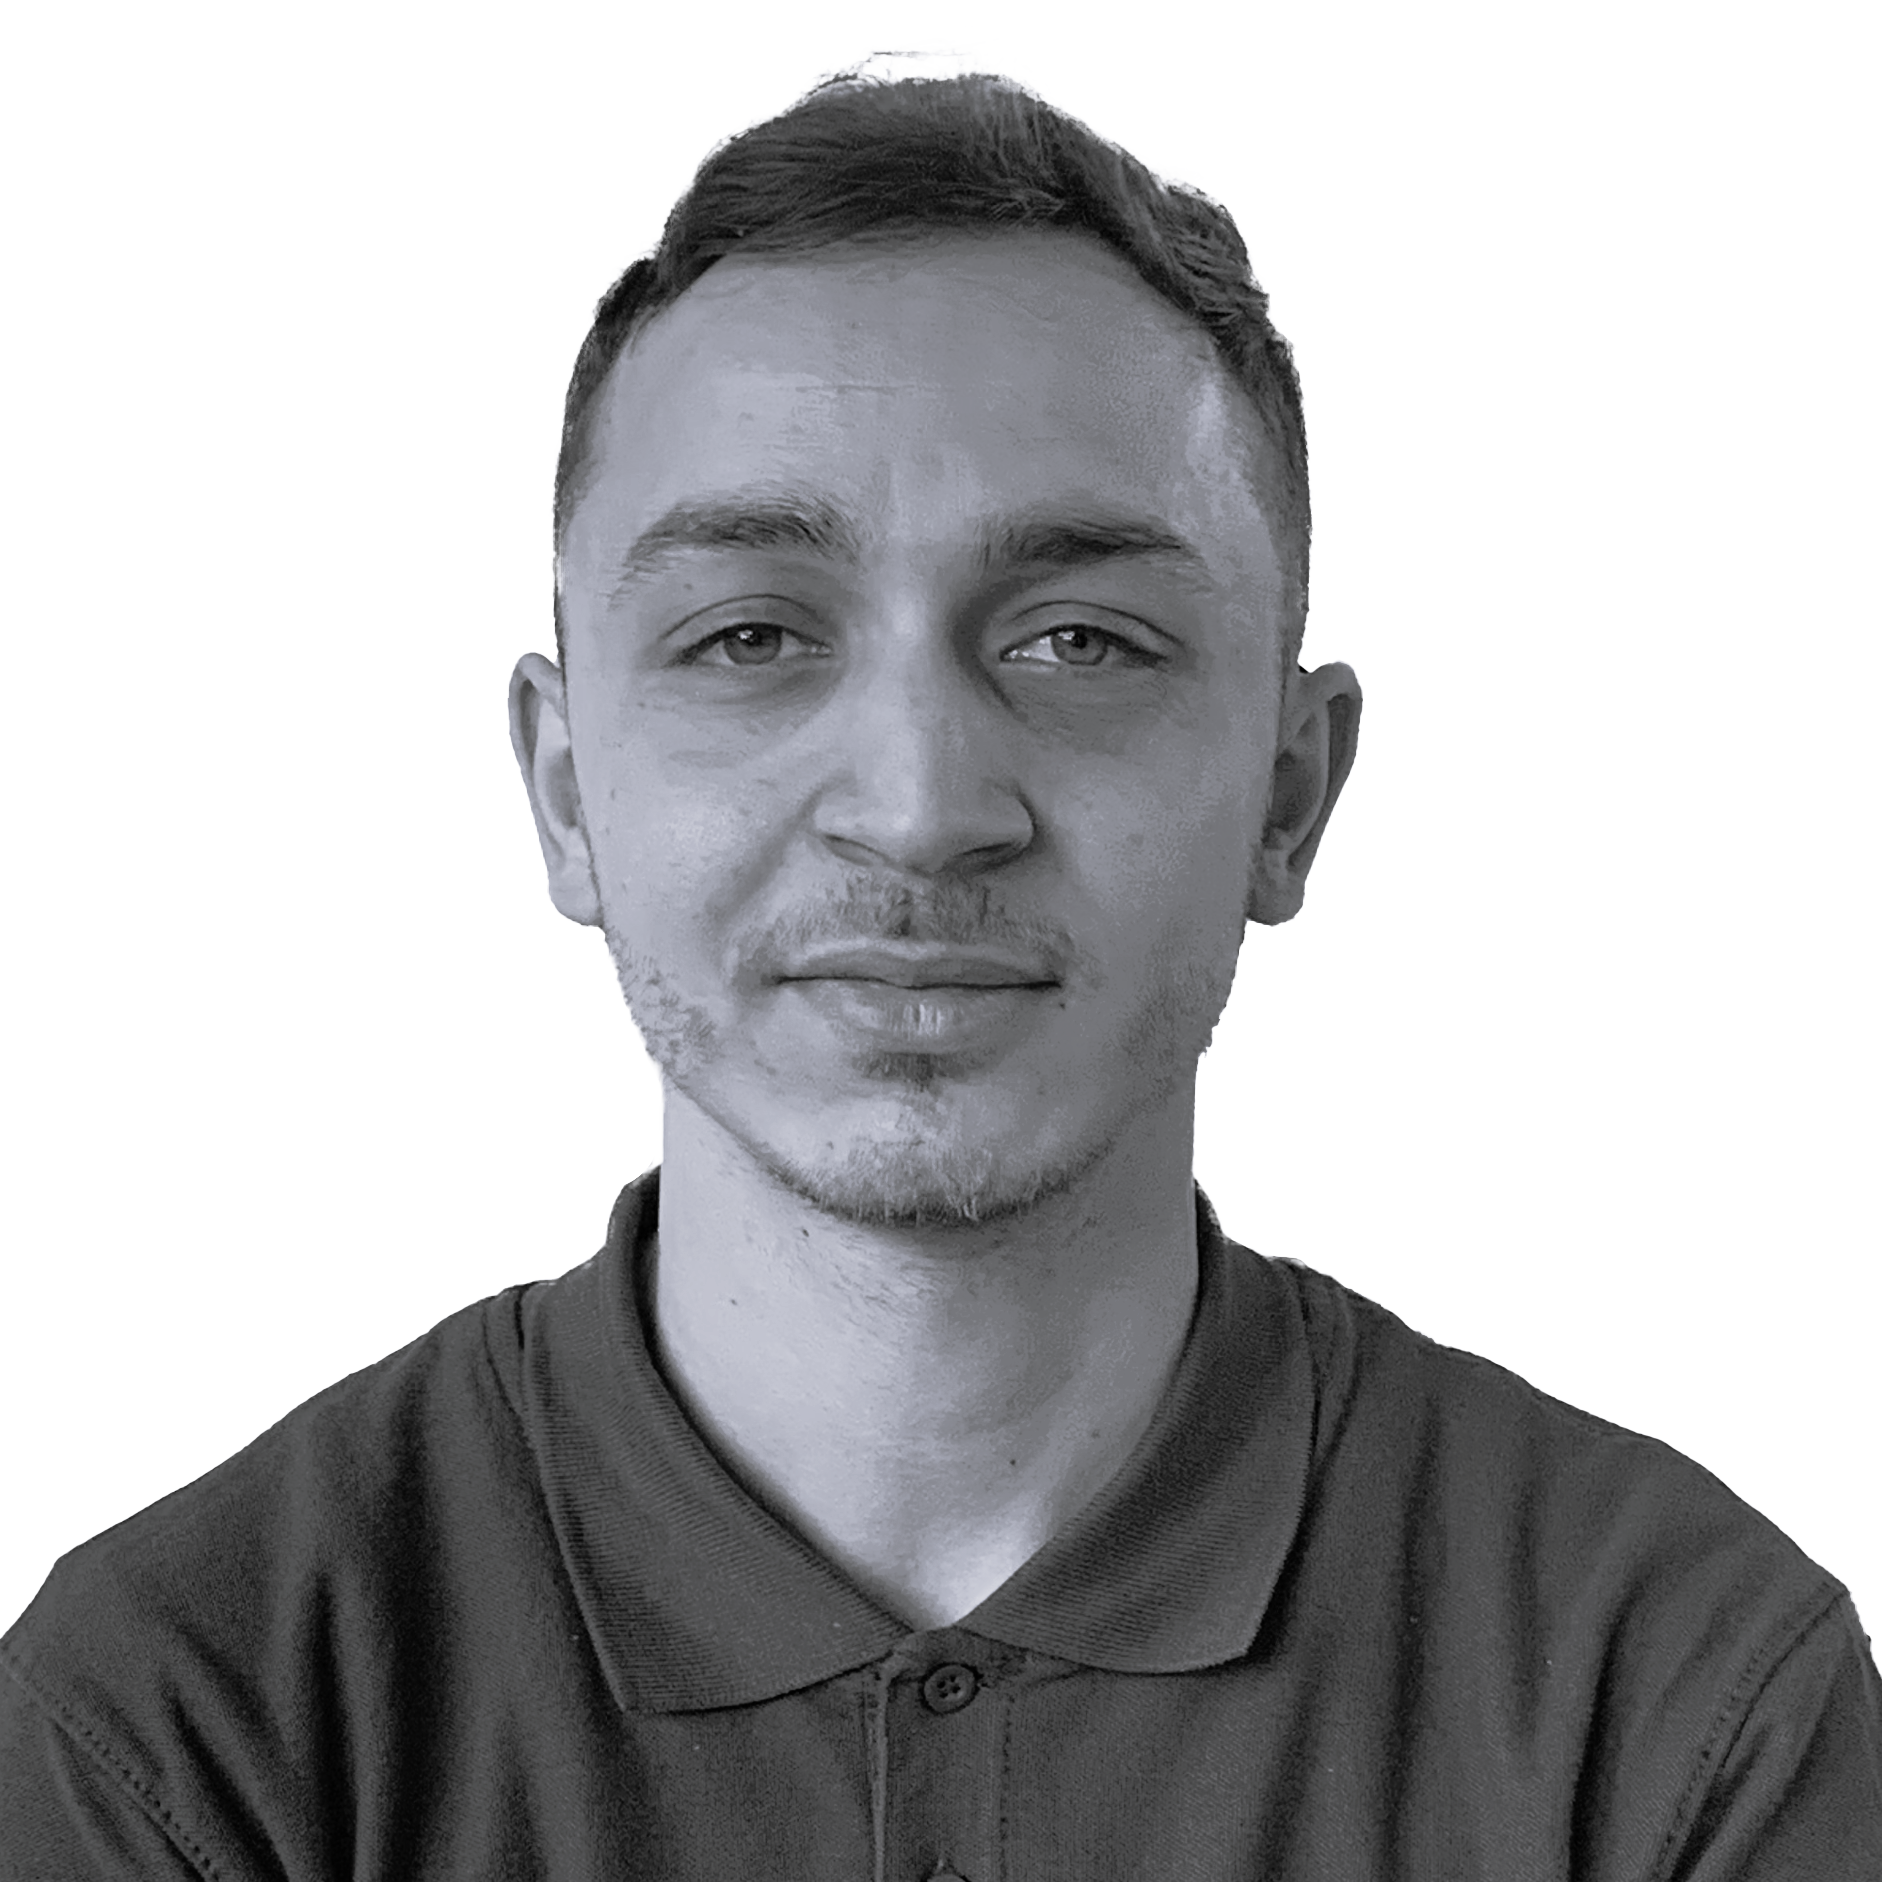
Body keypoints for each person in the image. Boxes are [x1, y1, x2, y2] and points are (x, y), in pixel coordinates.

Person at [2, 67, 1877, 1881]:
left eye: (1080, 640)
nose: (915, 808)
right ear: (568, 794)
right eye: (749, 636)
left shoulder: (1675, 1701)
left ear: (1288, 795)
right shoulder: (182, 1726)